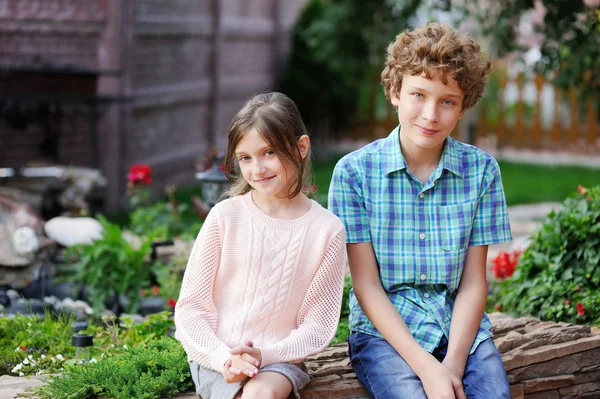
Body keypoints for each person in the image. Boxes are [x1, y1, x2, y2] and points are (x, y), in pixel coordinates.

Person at [328, 23, 512, 399]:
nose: (431, 114)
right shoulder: (353, 174)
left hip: (460, 331)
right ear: (395, 92)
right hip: (384, 335)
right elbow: (366, 285)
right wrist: (427, 369)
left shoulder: (482, 172)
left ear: (463, 107)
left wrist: (453, 366)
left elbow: (474, 283)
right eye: (418, 95)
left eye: (447, 101)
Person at [175, 92, 347, 399]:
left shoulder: (326, 230)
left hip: (280, 360)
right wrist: (224, 357)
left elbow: (317, 326)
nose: (257, 168)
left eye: (269, 152)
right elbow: (191, 309)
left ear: (300, 148)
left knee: (261, 394)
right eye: (245, 158)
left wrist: (264, 355)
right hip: (219, 356)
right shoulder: (226, 217)